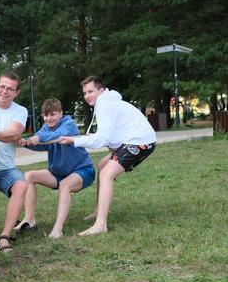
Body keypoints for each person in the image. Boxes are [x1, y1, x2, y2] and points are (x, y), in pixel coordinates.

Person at [58, 76, 156, 235]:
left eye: (91, 91)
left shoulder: (104, 104)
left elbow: (103, 139)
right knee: (102, 165)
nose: (87, 95)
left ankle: (101, 225)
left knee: (106, 174)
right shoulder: (106, 102)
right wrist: (76, 139)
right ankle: (98, 211)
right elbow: (108, 135)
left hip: (140, 142)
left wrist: (74, 141)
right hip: (134, 141)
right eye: (85, 93)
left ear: (101, 90)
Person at [18, 98, 95, 238]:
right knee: (29, 176)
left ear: (60, 113)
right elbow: (42, 143)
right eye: (46, 115)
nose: (49, 118)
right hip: (58, 174)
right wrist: (26, 142)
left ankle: (57, 230)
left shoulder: (69, 124)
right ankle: (29, 219)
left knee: (65, 185)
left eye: (52, 114)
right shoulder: (46, 128)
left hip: (83, 171)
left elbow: (57, 136)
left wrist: (38, 138)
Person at [0, 71, 29, 252]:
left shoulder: (20, 111)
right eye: (2, 87)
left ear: (16, 92)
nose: (4, 91)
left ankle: (4, 236)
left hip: (5, 170)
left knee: (21, 184)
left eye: (10, 89)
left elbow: (14, 133)